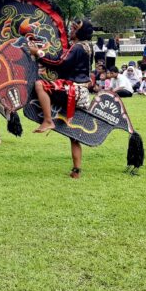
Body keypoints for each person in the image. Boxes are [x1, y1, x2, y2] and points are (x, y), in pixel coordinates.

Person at [29, 18, 93, 179]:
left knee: (39, 85)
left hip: (75, 91)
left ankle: (48, 120)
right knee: (74, 135)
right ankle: (76, 171)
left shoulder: (78, 47)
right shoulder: (87, 47)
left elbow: (59, 64)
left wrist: (38, 53)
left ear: (80, 32)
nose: (70, 30)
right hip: (83, 93)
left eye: (73, 28)